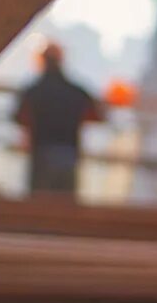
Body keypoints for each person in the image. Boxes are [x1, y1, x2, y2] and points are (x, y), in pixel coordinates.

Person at [13, 41, 104, 197]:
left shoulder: (33, 91)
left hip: (42, 152)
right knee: (64, 205)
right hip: (68, 153)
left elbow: (20, 117)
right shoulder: (76, 91)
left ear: (41, 61)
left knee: (39, 204)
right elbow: (97, 116)